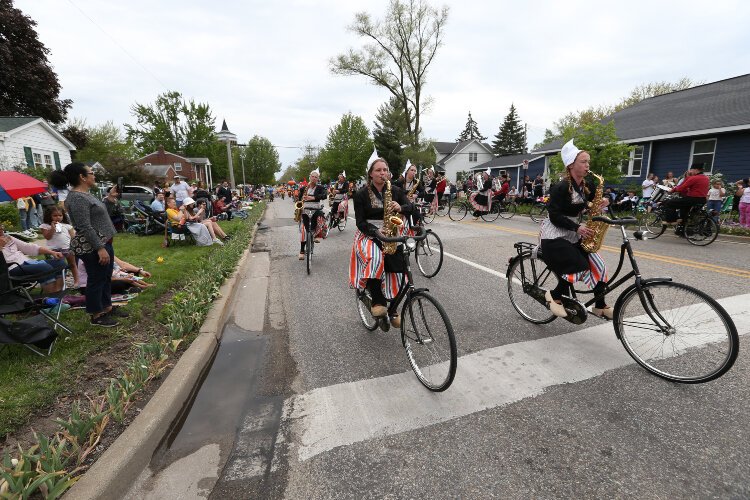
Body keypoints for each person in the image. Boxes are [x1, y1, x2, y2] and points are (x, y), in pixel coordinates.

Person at [539, 139, 612, 319]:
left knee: (599, 266)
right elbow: (554, 215)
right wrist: (577, 227)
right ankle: (554, 296)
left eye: (588, 162)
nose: (588, 165)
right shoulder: (561, 186)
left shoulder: (588, 186)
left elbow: (595, 202)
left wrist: (605, 202)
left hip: (575, 232)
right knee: (578, 265)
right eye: (584, 161)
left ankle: (600, 305)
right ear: (571, 165)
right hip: (554, 234)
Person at [50, 163, 123, 327]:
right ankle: (96, 315)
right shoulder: (76, 198)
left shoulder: (85, 195)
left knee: (104, 277)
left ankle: (107, 307)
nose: (94, 175)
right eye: (91, 173)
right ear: (82, 177)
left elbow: (100, 215)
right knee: (96, 279)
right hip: (93, 247)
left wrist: (110, 198)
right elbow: (84, 226)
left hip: (104, 242)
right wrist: (100, 248)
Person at [350, 153, 414, 328]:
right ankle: (377, 301)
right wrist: (376, 230)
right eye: (378, 170)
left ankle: (392, 309)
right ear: (370, 173)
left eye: (385, 170)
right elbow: (360, 222)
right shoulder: (361, 194)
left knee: (399, 266)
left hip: (391, 232)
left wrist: (401, 206)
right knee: (376, 256)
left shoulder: (395, 190)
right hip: (369, 233)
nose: (382, 173)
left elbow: (412, 208)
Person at [0, 223, 66, 293]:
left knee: (60, 263)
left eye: (1, 227)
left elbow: (28, 247)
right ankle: (52, 298)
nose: (2, 230)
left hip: (26, 263)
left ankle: (58, 293)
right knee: (44, 268)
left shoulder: (8, 237)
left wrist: (52, 252)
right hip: (11, 269)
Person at [39, 205, 79, 287]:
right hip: (53, 250)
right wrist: (52, 228)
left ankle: (77, 281)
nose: (58, 217)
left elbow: (73, 238)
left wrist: (74, 246)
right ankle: (60, 284)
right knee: (58, 267)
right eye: (55, 215)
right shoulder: (45, 226)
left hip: (67, 248)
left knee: (73, 264)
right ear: (49, 216)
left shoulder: (67, 226)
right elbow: (47, 237)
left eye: (60, 215)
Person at [661, 163, 710, 228]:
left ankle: (671, 220)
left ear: (696, 170)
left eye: (691, 170)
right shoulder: (706, 178)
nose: (690, 171)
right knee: (684, 211)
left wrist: (672, 191)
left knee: (669, 203)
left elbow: (681, 187)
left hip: (692, 199)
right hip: (702, 199)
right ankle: (682, 230)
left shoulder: (694, 178)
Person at [297, 169, 327, 259]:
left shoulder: (320, 188)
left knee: (321, 216)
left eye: (316, 177)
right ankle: (302, 251)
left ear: (318, 179)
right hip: (305, 209)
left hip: (316, 208)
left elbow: (324, 196)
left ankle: (318, 234)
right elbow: (299, 199)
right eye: (312, 176)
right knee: (303, 230)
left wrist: (312, 197)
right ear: (310, 177)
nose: (314, 178)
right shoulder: (303, 188)